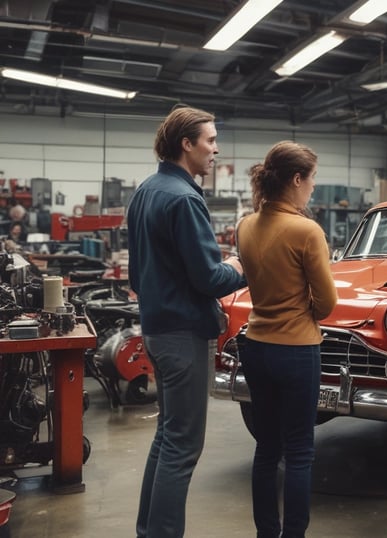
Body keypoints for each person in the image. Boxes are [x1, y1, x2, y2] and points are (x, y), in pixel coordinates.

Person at [126, 105, 246, 538]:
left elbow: (136, 275)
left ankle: (150, 530)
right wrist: (240, 262)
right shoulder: (185, 198)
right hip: (183, 334)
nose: (216, 149)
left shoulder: (146, 191)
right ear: (186, 144)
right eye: (210, 141)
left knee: (166, 436)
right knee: (183, 444)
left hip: (157, 329)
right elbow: (211, 279)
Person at [236, 140, 338, 538]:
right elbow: (327, 302)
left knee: (266, 449)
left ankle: (267, 534)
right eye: (311, 180)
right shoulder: (306, 230)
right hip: (296, 350)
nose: (313, 188)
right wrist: (302, 313)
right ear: (297, 180)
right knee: (299, 452)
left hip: (256, 346)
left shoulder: (246, 225)